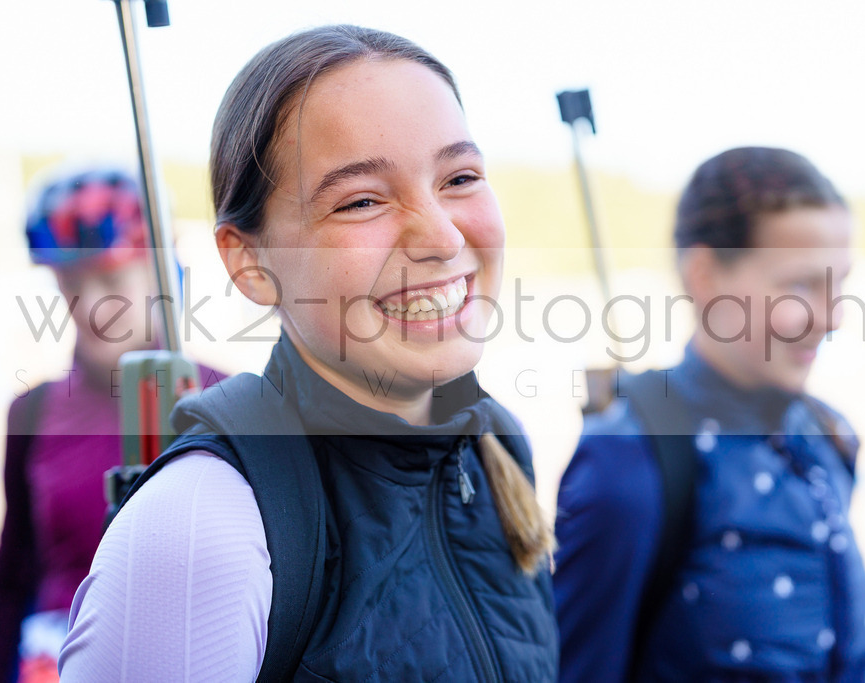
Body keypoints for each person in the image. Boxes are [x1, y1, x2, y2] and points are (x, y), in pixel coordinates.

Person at [58, 25, 559, 681]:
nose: (441, 236)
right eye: (361, 200)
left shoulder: (497, 448)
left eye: (460, 177)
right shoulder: (198, 529)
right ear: (250, 262)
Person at [553, 147, 865, 682]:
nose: (833, 316)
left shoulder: (826, 435)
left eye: (839, 281)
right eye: (800, 285)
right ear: (704, 275)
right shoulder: (629, 465)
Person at [0, 166, 222, 683]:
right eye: (72, 283)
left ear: (162, 274)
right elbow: (12, 580)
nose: (92, 305)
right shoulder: (32, 411)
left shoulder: (227, 402)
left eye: (113, 280)